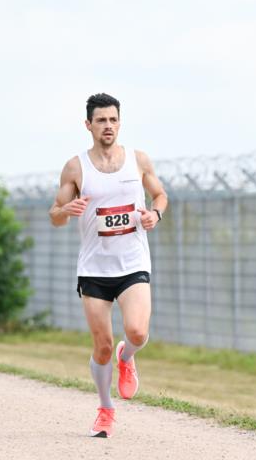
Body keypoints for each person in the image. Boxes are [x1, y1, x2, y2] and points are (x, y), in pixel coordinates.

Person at [50, 92, 168, 437]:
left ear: (120, 123)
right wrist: (64, 212)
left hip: (132, 263)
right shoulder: (76, 167)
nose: (108, 126)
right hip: (94, 269)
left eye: (113, 120)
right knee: (101, 346)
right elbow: (55, 216)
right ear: (88, 125)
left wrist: (154, 214)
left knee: (137, 332)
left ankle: (127, 357)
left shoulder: (138, 160)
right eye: (101, 120)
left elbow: (160, 195)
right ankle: (105, 408)